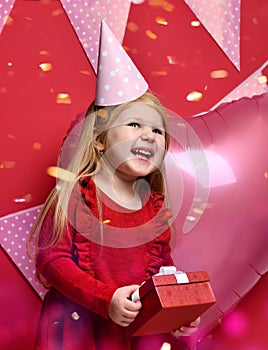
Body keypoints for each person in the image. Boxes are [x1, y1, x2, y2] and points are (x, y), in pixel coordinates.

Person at [28, 21, 200, 350]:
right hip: (79, 329)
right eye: (134, 124)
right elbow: (53, 261)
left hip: (135, 331)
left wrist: (178, 307)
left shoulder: (155, 207)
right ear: (100, 141)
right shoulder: (77, 194)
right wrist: (106, 298)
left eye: (157, 131)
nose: (149, 136)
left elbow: (163, 268)